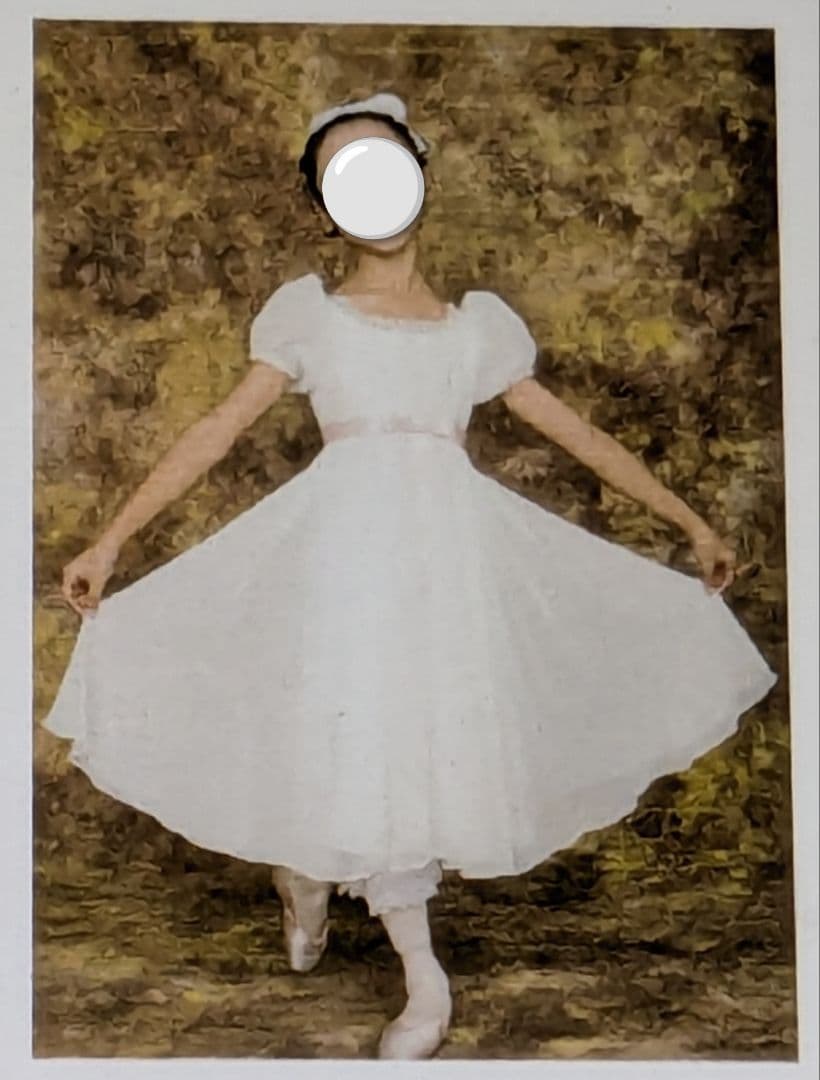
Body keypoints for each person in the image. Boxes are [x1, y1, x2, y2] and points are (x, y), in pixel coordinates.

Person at [43, 91, 779, 1060]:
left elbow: (583, 437)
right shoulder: (311, 318)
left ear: (420, 179)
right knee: (359, 726)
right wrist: (110, 541)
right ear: (325, 210)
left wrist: (690, 523)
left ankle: (337, 899)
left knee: (421, 733)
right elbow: (216, 431)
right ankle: (405, 958)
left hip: (444, 565)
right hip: (342, 560)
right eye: (345, 178)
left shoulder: (475, 331)